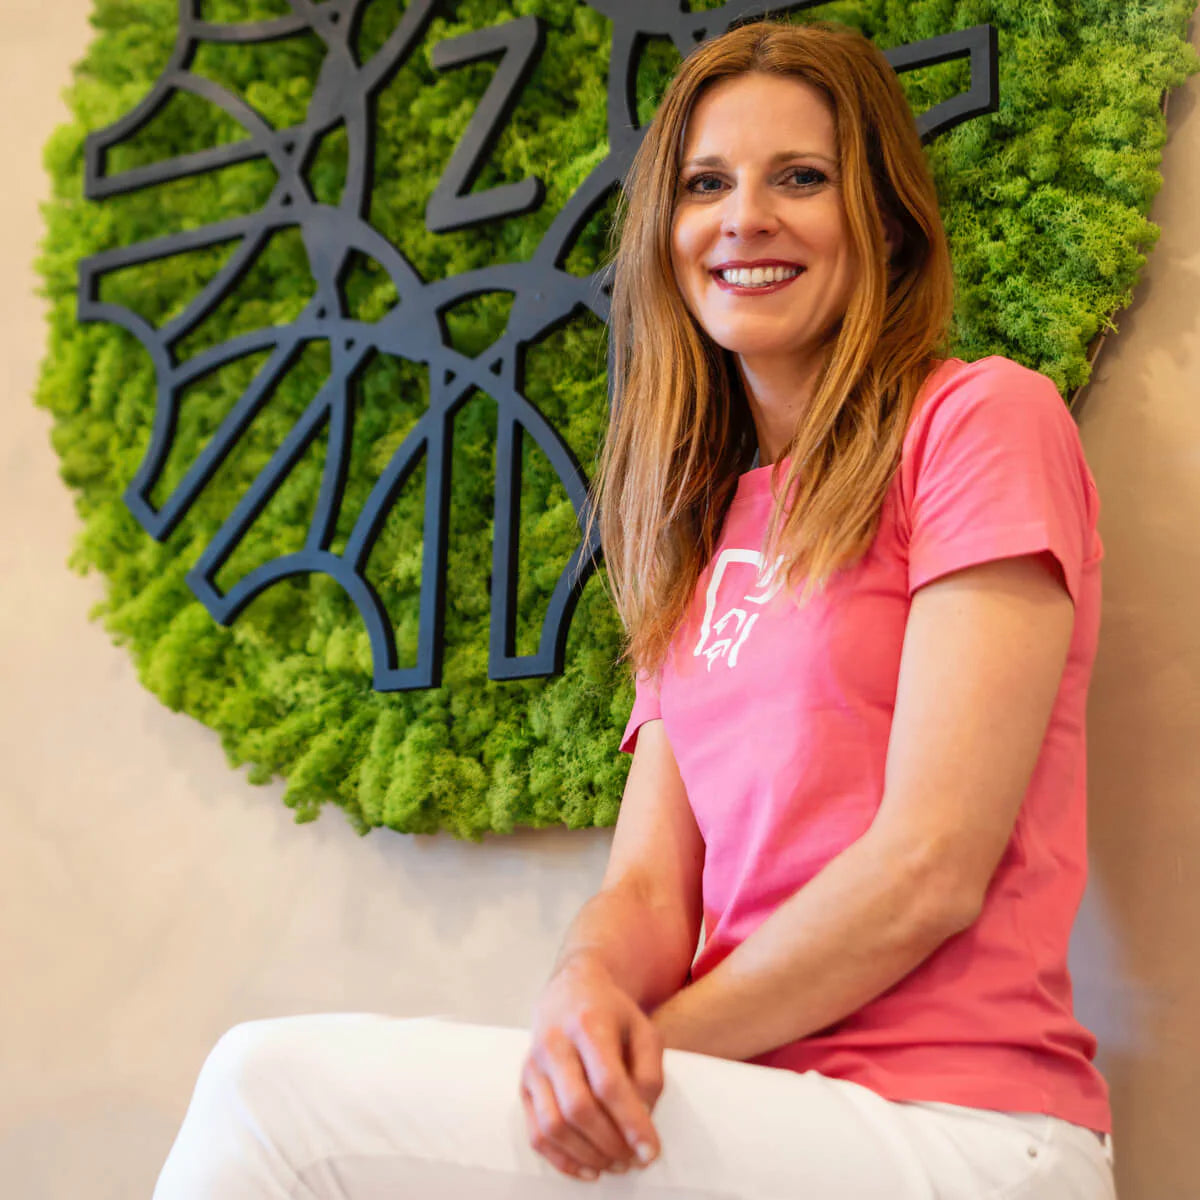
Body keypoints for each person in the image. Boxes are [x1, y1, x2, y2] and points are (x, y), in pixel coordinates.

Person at [152, 20, 1117, 1200]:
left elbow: (929, 866)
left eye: (800, 178)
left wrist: (640, 1059)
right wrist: (583, 991)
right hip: (752, 1112)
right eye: (706, 184)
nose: (744, 218)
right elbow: (650, 892)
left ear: (887, 219)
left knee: (269, 1097)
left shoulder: (977, 423)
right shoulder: (702, 537)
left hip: (956, 1127)